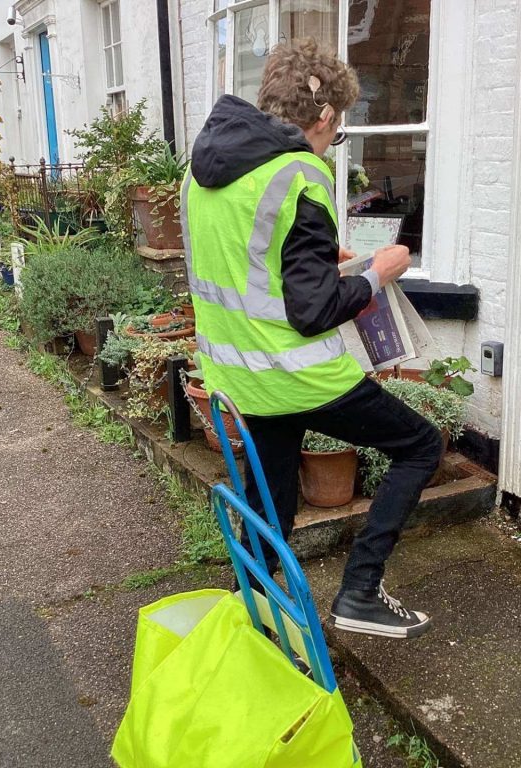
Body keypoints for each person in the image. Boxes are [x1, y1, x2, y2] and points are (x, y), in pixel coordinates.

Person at [184, 38, 443, 639]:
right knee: (420, 446)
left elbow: (243, 260)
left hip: (236, 375)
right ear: (324, 117)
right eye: (338, 130)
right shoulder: (299, 172)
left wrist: (320, 253)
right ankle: (359, 593)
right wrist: (378, 275)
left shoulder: (202, 169)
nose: (332, 141)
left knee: (271, 502)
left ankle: (253, 623)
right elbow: (313, 310)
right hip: (297, 374)